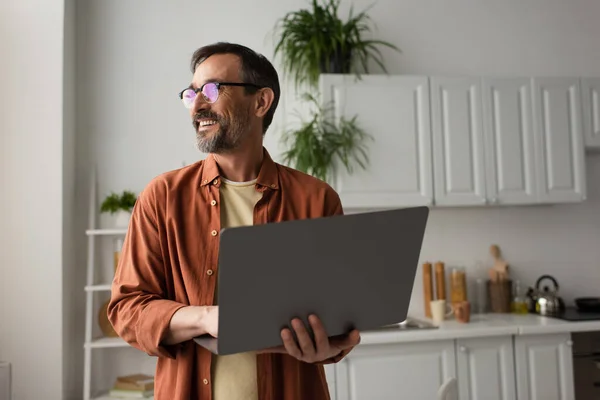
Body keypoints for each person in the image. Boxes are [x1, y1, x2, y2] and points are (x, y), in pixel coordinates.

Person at [107, 42, 360, 400]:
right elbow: (127, 309)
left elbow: (342, 318)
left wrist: (329, 347)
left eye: (212, 89)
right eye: (191, 93)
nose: (197, 104)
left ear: (260, 102)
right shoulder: (162, 196)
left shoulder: (317, 199)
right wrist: (206, 318)